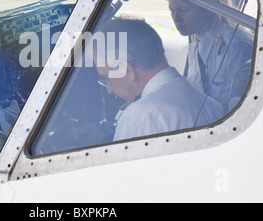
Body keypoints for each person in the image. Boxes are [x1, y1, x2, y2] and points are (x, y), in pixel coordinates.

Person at [94, 18, 223, 141]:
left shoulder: (138, 118)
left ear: (126, 69)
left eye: (107, 78)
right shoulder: (213, 106)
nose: (109, 90)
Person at [165, 0, 254, 112]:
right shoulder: (194, 39)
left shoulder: (237, 44)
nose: (176, 18)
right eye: (172, 10)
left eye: (184, 10)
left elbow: (241, 110)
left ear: (206, 9)